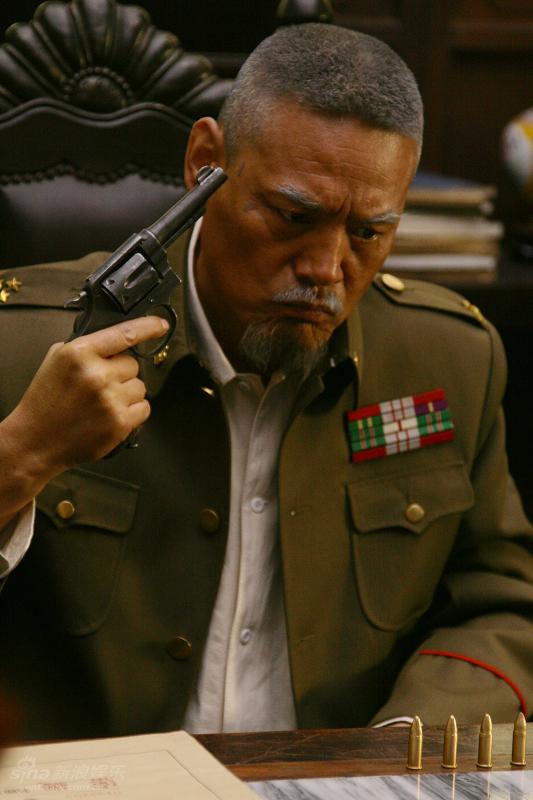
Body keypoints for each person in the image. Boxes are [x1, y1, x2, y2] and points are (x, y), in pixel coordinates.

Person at [0, 23, 532, 741]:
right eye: (293, 217)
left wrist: (402, 744)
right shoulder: (23, 351)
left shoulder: (446, 361)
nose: (325, 268)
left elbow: (499, 602)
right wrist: (21, 454)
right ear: (205, 163)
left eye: (368, 232)